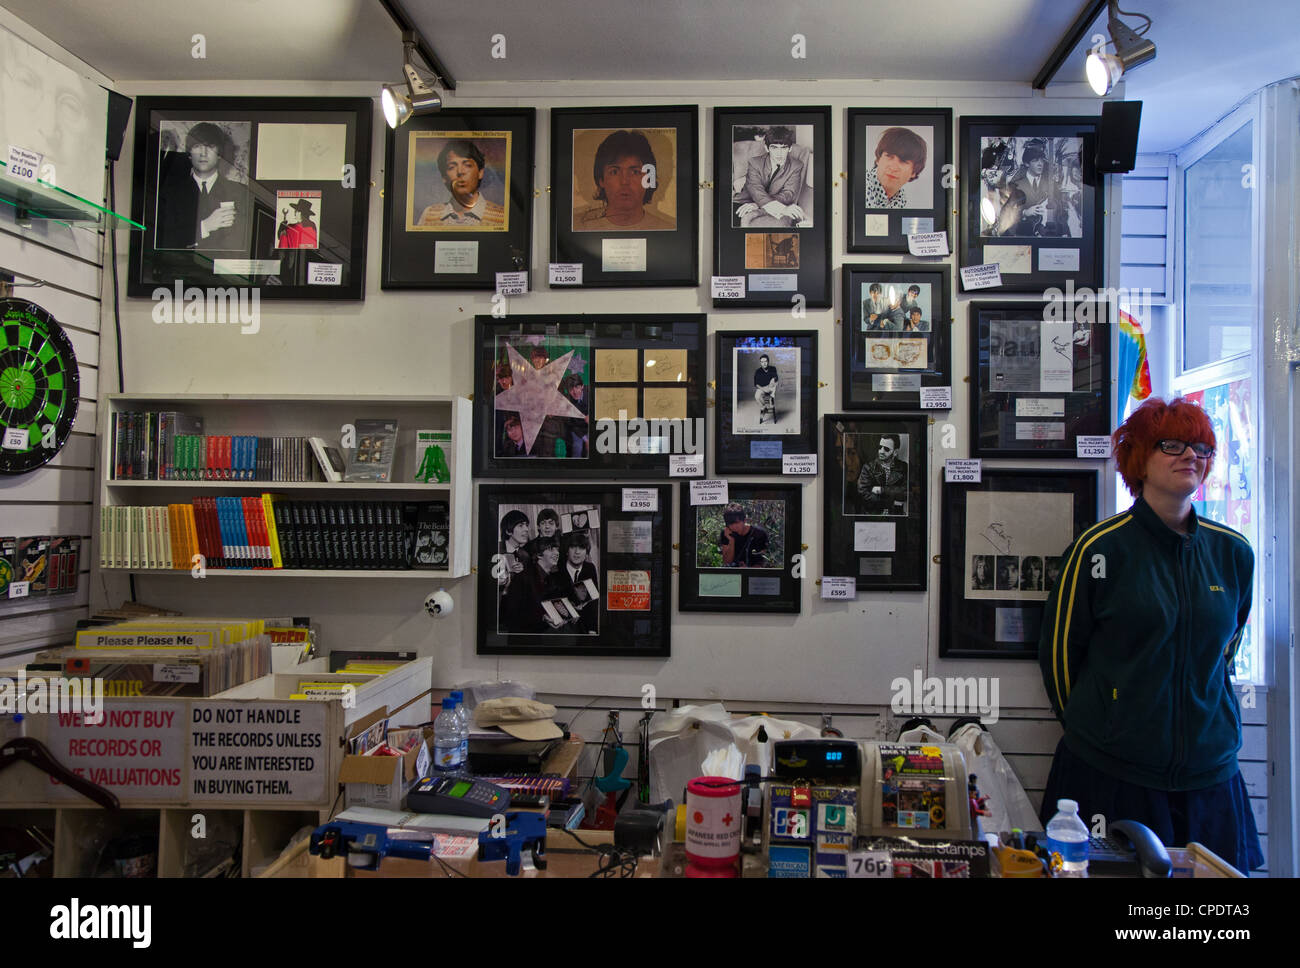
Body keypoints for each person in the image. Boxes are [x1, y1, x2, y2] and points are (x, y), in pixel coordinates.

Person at [1038, 397, 1261, 871]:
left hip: (1210, 773)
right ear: (1138, 456)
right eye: (1173, 444)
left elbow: (1225, 651)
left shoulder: (1234, 552)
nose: (1191, 457)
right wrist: (1100, 726)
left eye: (1202, 448)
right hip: (1110, 771)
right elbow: (1059, 656)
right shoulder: (1100, 549)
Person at [155, 121, 250, 251]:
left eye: (210, 146)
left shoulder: (239, 192)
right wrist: (204, 227)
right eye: (197, 146)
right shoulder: (171, 194)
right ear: (189, 153)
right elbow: (165, 243)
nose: (203, 153)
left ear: (219, 154)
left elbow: (242, 245)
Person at [575, 129, 674, 231]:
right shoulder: (577, 226)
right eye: (614, 172)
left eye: (635, 172)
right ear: (601, 180)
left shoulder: (668, 228)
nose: (624, 181)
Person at [418, 139, 505, 228]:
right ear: (444, 177)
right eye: (452, 167)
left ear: (480, 173)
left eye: (467, 165)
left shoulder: (502, 217)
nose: (460, 172)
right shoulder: (429, 215)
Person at [735, 125, 807, 228]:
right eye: (774, 147)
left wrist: (758, 205)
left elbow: (788, 194)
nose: (779, 153)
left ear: (790, 148)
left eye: (784, 148)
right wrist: (777, 207)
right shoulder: (754, 162)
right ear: (767, 148)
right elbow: (755, 190)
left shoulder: (796, 165)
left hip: (763, 204)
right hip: (743, 201)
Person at [864, 126, 927, 209]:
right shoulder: (862, 186)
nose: (893, 167)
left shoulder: (900, 199)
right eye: (889, 156)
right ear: (878, 159)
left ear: (913, 172)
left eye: (903, 161)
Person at [1010, 144, 1061, 237]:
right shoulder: (1016, 185)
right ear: (1026, 163)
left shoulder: (1052, 184)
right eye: (1035, 160)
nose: (1040, 164)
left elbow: (1062, 211)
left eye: (1041, 160)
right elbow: (1008, 211)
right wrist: (1025, 212)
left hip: (1048, 234)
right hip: (1023, 235)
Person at [558, 531, 599, 633]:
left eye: (581, 548)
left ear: (586, 553)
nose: (577, 552)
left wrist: (592, 629)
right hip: (563, 626)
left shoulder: (590, 568)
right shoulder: (557, 569)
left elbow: (593, 601)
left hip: (585, 625)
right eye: (573, 547)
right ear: (567, 551)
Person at [857, 434, 908, 515]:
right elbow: (863, 494)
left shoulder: (904, 467)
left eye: (886, 449)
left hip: (896, 517)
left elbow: (906, 492)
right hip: (873, 516)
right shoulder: (868, 467)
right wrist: (890, 502)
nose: (881, 451)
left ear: (895, 452)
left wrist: (881, 490)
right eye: (880, 447)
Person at [753, 354, 779, 425]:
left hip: (771, 386)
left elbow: (776, 378)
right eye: (762, 362)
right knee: (757, 396)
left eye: (765, 361)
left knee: (774, 381)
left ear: (768, 361)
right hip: (762, 388)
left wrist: (773, 380)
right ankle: (764, 407)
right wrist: (764, 389)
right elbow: (756, 384)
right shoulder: (758, 371)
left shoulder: (773, 368)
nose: (764, 363)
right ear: (760, 363)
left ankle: (771, 397)